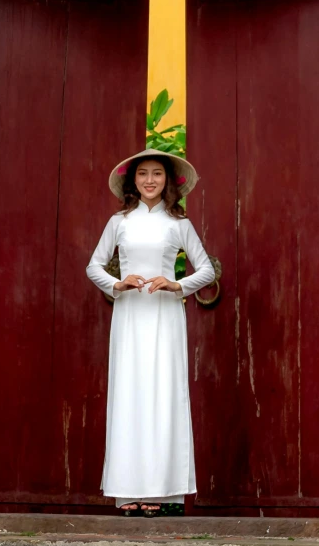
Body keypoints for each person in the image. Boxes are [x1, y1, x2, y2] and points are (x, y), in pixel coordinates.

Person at [85, 151, 220, 516]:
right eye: (142, 174)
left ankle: (164, 492)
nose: (149, 180)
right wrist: (118, 283)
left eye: (156, 174)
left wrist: (177, 285)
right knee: (129, 394)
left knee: (163, 393)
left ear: (168, 180)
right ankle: (126, 489)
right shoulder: (119, 222)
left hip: (164, 314)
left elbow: (206, 269)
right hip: (129, 315)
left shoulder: (178, 224)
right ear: (133, 182)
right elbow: (93, 266)